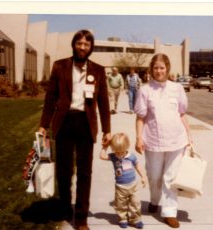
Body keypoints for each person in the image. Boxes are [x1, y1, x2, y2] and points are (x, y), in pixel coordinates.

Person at [38, 30, 111, 230]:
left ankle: (81, 217)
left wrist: (107, 130)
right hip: (64, 122)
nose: (82, 47)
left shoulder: (98, 70)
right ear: (74, 44)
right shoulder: (60, 66)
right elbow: (50, 98)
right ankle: (64, 208)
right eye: (79, 43)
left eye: (86, 44)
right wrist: (44, 125)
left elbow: (103, 102)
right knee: (64, 171)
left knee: (85, 173)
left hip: (86, 124)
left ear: (91, 48)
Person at [134, 53, 192, 229]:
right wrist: (138, 138)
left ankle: (169, 212)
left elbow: (182, 113)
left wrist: (189, 136)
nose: (159, 71)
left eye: (162, 67)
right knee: (154, 176)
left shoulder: (177, 88)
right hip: (153, 140)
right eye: (156, 68)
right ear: (152, 69)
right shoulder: (145, 90)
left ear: (167, 69)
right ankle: (154, 200)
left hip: (176, 140)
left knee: (170, 177)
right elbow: (140, 117)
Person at [100, 133, 146, 229]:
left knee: (135, 203)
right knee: (120, 204)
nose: (119, 154)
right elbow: (102, 156)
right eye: (117, 152)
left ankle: (136, 219)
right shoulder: (113, 157)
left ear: (127, 146)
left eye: (121, 152)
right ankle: (122, 218)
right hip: (120, 187)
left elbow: (137, 166)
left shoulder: (131, 156)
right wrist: (105, 146)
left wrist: (143, 177)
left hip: (133, 185)